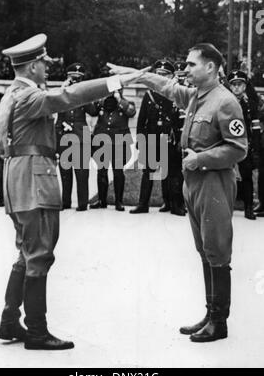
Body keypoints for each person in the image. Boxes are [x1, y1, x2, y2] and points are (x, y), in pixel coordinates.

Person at [0, 33, 137, 350]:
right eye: (43, 63)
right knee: (40, 254)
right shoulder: (29, 97)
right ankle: (36, 331)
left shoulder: (14, 94)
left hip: (19, 180)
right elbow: (70, 97)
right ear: (32, 67)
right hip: (34, 180)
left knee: (26, 253)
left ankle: (10, 320)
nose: (47, 68)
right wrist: (115, 82)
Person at [109, 43, 248, 342]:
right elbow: (167, 86)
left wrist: (201, 158)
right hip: (194, 183)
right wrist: (137, 76)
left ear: (210, 67)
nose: (185, 69)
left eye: (191, 64)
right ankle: (211, 313)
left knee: (217, 251)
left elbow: (238, 149)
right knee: (205, 250)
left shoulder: (225, 102)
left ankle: (219, 322)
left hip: (214, 183)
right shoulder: (197, 96)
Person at [130, 59, 185, 216]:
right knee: (148, 173)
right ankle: (143, 204)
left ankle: (175, 205)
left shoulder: (177, 94)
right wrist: (141, 142)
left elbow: (182, 120)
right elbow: (142, 121)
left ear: (171, 76)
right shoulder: (149, 94)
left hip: (170, 139)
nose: (161, 77)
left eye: (165, 75)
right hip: (152, 140)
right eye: (158, 74)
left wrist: (181, 140)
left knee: (174, 173)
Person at [89, 73, 136, 211]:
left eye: (118, 89)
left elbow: (131, 112)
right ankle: (102, 201)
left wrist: (119, 100)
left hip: (119, 142)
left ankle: (118, 202)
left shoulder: (126, 103)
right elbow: (92, 111)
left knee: (118, 172)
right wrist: (101, 97)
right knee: (101, 171)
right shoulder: (102, 102)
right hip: (102, 141)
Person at [55, 63, 96, 211]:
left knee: (82, 172)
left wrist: (83, 93)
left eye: (78, 79)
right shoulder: (62, 94)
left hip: (80, 136)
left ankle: (82, 203)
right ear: (67, 78)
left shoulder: (84, 95)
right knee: (65, 171)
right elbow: (57, 113)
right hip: (65, 136)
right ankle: (65, 202)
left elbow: (93, 111)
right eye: (73, 78)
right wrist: (63, 90)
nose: (75, 81)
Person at [228, 70, 260, 220]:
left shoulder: (250, 105)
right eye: (233, 85)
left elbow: (255, 127)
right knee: (226, 176)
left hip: (244, 145)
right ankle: (226, 208)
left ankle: (248, 208)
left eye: (239, 84)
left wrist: (255, 146)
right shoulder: (225, 103)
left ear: (245, 86)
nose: (236, 88)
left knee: (246, 176)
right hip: (227, 145)